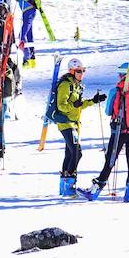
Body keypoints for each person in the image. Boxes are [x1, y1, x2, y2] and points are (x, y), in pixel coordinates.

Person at [83, 62, 129, 201]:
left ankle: (96, 191)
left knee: (110, 160)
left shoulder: (116, 90)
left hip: (119, 131)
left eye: (120, 74)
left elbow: (108, 112)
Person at [50, 57, 106, 195]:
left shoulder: (77, 85)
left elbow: (80, 105)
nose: (82, 74)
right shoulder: (65, 85)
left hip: (74, 123)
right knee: (77, 152)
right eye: (79, 71)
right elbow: (61, 106)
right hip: (65, 122)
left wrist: (93, 100)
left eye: (83, 71)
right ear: (71, 71)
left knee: (70, 153)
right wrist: (73, 105)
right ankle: (69, 184)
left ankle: (64, 187)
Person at [9, 0, 40, 65]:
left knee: (23, 34)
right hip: (26, 12)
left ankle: (26, 58)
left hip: (29, 11)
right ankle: (32, 59)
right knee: (29, 34)